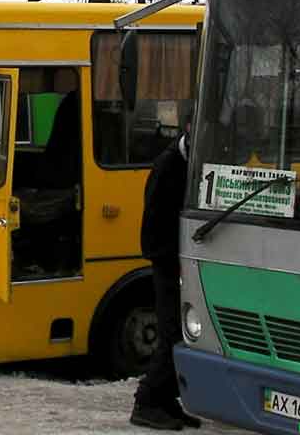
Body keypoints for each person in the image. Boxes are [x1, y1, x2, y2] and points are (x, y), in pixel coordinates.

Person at [131, 128, 201, 430]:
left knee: (181, 333)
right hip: (168, 262)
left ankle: (166, 400)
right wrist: (173, 259)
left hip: (181, 259)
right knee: (172, 332)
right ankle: (146, 402)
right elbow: (154, 222)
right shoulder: (167, 164)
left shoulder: (188, 163)